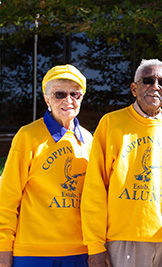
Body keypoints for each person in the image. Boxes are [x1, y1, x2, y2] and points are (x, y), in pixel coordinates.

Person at [81, 59, 162, 267]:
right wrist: (95, 245)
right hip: (124, 239)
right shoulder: (111, 124)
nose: (155, 86)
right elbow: (94, 189)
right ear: (134, 89)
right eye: (148, 80)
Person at [0, 64, 93, 267]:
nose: (68, 101)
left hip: (80, 253)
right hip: (33, 254)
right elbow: (7, 198)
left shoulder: (88, 140)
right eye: (60, 94)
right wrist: (3, 247)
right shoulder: (27, 136)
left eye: (75, 95)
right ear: (46, 98)